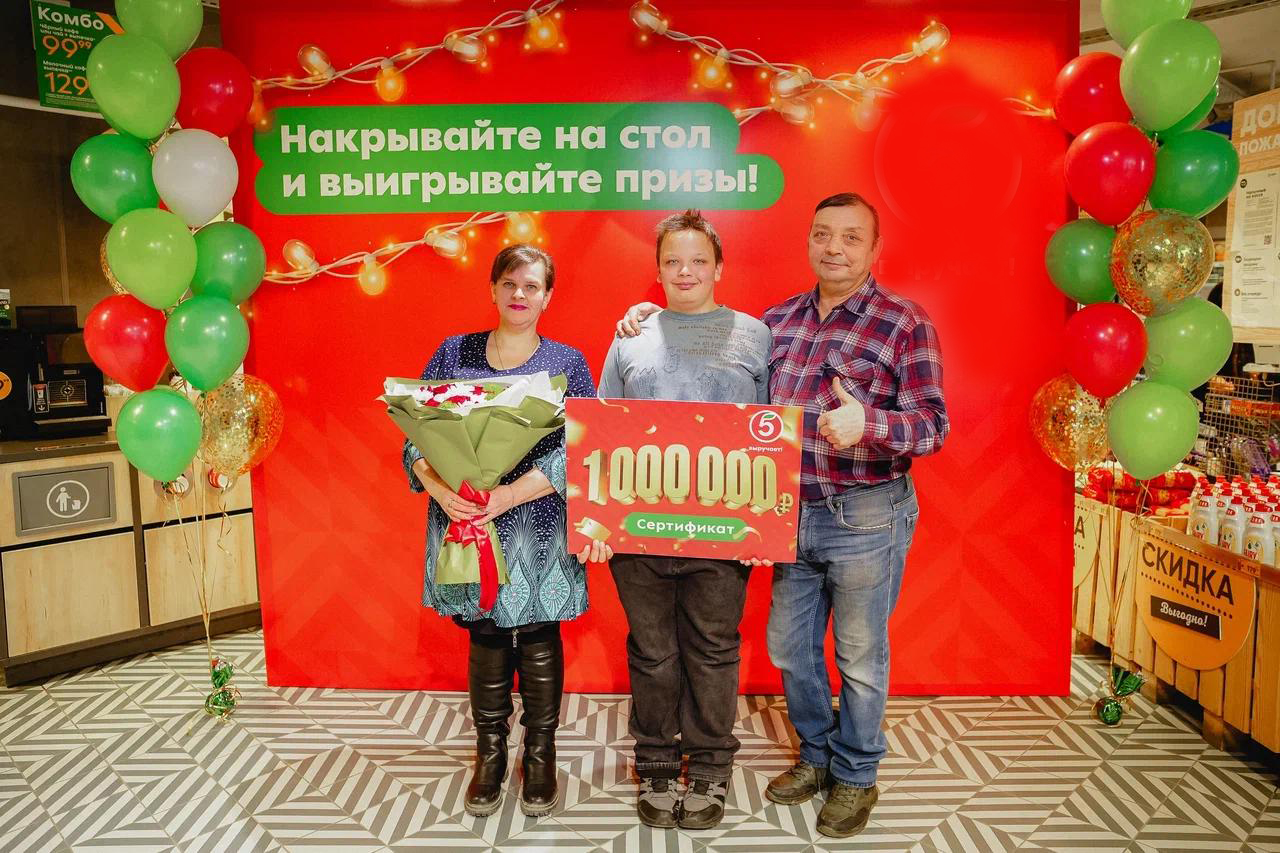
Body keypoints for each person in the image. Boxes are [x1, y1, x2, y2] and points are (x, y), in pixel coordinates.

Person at [616, 193, 948, 838]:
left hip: (866, 514)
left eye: (851, 237)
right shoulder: (778, 321)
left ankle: (856, 773)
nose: (834, 248)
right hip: (791, 515)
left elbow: (934, 424)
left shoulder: (904, 322)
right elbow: (730, 395)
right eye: (823, 234)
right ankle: (817, 756)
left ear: (875, 248)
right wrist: (650, 316)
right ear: (809, 241)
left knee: (859, 656)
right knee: (790, 652)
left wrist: (869, 423)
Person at [402, 244, 612, 819]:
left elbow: (582, 447)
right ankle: (490, 754)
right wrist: (442, 490)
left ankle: (540, 754)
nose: (520, 294)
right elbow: (415, 436)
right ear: (493, 289)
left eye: (532, 286)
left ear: (548, 296)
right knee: (486, 632)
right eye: (510, 283)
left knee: (540, 632)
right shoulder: (454, 353)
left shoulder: (567, 363)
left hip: (536, 521)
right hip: (467, 520)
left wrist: (509, 495)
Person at [600, 210, 771, 831]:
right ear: (658, 269)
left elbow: (771, 436)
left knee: (713, 651)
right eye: (673, 260)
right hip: (639, 530)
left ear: (719, 267)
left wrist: (765, 527)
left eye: (699, 260)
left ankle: (711, 769)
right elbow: (603, 432)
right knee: (652, 653)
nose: (686, 271)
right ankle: (656, 763)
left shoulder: (756, 336)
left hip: (724, 533)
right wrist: (597, 525)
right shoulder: (630, 336)